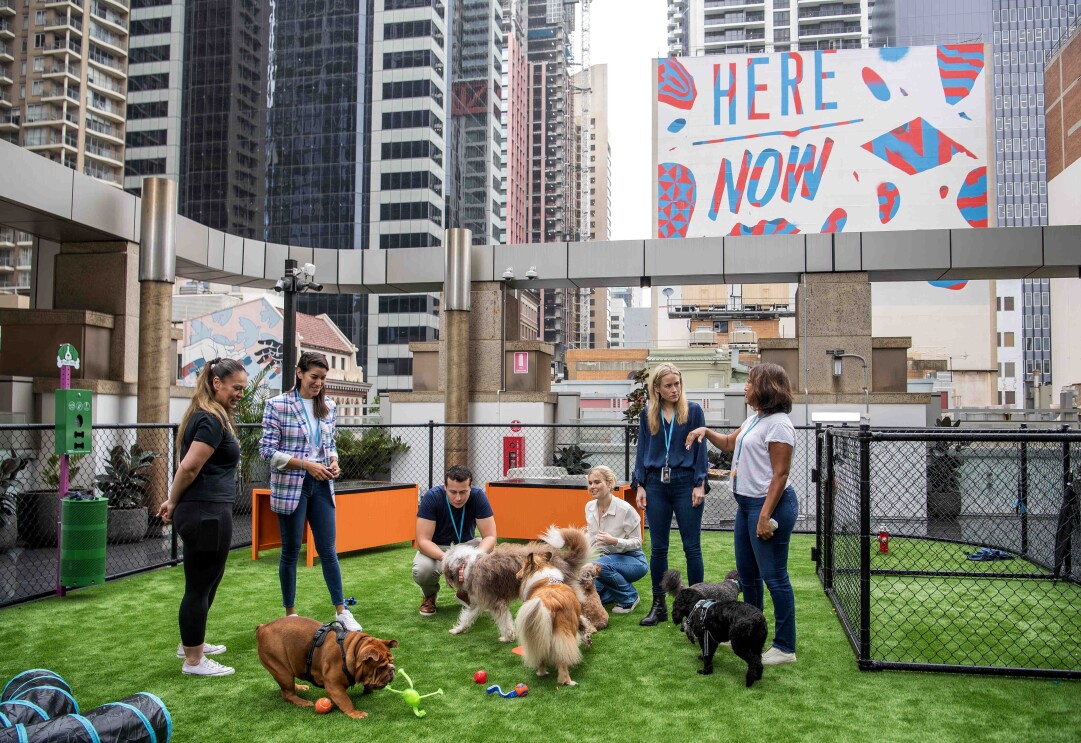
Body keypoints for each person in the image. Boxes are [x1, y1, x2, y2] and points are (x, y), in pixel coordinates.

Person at [686, 362, 798, 666]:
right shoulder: (755, 420)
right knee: (748, 576)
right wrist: (706, 431)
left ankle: (785, 646)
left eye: (750, 382)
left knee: (775, 577)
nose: (745, 387)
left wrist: (764, 516)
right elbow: (728, 443)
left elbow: (780, 475)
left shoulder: (779, 425)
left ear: (765, 387)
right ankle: (749, 633)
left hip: (767, 506)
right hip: (747, 506)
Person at [158, 357, 247, 677]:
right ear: (216, 383)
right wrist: (171, 500)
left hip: (206, 510)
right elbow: (189, 467)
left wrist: (174, 502)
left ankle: (191, 643)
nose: (240, 394)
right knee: (199, 585)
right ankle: (193, 660)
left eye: (243, 389)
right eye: (236, 388)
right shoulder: (210, 420)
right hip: (205, 511)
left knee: (207, 580)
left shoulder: (209, 415)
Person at [259, 351, 360, 632]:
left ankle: (341, 610)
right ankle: (290, 614)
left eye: (323, 378)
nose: (318, 383)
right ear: (299, 373)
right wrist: (305, 465)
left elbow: (329, 444)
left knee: (328, 549)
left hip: (322, 484)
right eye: (314, 377)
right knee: (290, 551)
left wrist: (334, 461)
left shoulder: (328, 405)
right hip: (292, 486)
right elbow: (266, 451)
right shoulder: (277, 405)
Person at [632, 362, 709, 627]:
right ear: (657, 388)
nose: (675, 389)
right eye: (668, 385)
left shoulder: (693, 411)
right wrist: (639, 484)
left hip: (686, 482)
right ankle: (659, 605)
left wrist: (700, 483)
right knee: (658, 549)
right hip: (655, 484)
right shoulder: (647, 415)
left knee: (692, 547)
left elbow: (702, 451)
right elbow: (642, 450)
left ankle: (698, 607)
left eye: (677, 384)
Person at [413, 465, 497, 616]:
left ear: (470, 487)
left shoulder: (478, 497)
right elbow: (423, 540)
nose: (458, 498)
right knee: (423, 570)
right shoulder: (432, 497)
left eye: (463, 492)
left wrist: (474, 556)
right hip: (437, 547)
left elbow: (490, 536)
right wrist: (447, 558)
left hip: (467, 545)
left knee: (493, 559)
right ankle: (429, 595)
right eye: (453, 492)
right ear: (445, 487)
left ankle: (465, 591)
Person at [585, 465, 647, 614]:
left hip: (634, 560)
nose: (592, 486)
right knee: (589, 594)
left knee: (599, 565)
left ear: (610, 483)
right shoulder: (589, 507)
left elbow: (637, 542)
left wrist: (615, 541)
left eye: (597, 482)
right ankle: (615, 591)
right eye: (590, 483)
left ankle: (630, 597)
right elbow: (592, 537)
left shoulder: (625, 509)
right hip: (606, 559)